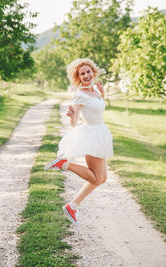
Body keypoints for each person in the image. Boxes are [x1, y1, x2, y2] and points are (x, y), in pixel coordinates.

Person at [44, 58, 114, 225]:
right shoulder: (79, 95)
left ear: (93, 72)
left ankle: (72, 206)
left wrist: (102, 94)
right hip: (92, 135)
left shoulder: (95, 91)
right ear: (78, 77)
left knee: (102, 179)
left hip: (101, 133)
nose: (86, 75)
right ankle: (64, 164)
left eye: (88, 71)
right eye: (82, 74)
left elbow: (96, 106)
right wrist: (71, 116)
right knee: (96, 178)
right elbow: (75, 122)